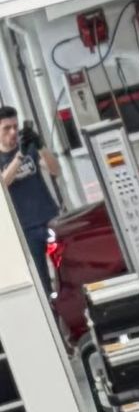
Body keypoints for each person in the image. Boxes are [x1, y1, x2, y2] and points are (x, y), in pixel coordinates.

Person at [0, 106, 55, 282]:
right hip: (25, 228)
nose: (13, 132)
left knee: (65, 267)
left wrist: (40, 146)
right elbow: (3, 184)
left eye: (15, 126)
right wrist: (20, 156)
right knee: (41, 277)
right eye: (7, 128)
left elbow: (55, 170)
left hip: (50, 218)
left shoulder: (29, 147)